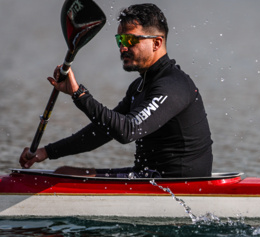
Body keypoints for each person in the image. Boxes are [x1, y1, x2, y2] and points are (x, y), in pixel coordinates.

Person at [19, 3, 213, 178]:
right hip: (149, 177)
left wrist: (80, 94)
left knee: (65, 176)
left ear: (156, 43)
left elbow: (127, 131)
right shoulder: (138, 87)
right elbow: (102, 132)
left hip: (180, 184)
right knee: (64, 173)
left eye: (130, 40)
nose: (122, 48)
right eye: (120, 40)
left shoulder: (173, 86)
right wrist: (47, 152)